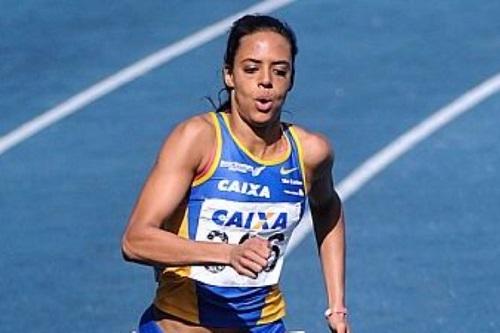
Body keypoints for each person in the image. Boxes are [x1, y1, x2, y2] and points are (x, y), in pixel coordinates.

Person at [122, 14, 350, 333]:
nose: (266, 81)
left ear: (291, 80)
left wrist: (337, 305)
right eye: (251, 68)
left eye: (279, 71)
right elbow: (135, 241)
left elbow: (327, 208)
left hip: (263, 326)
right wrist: (228, 254)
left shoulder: (310, 152)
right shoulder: (198, 140)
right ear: (230, 75)